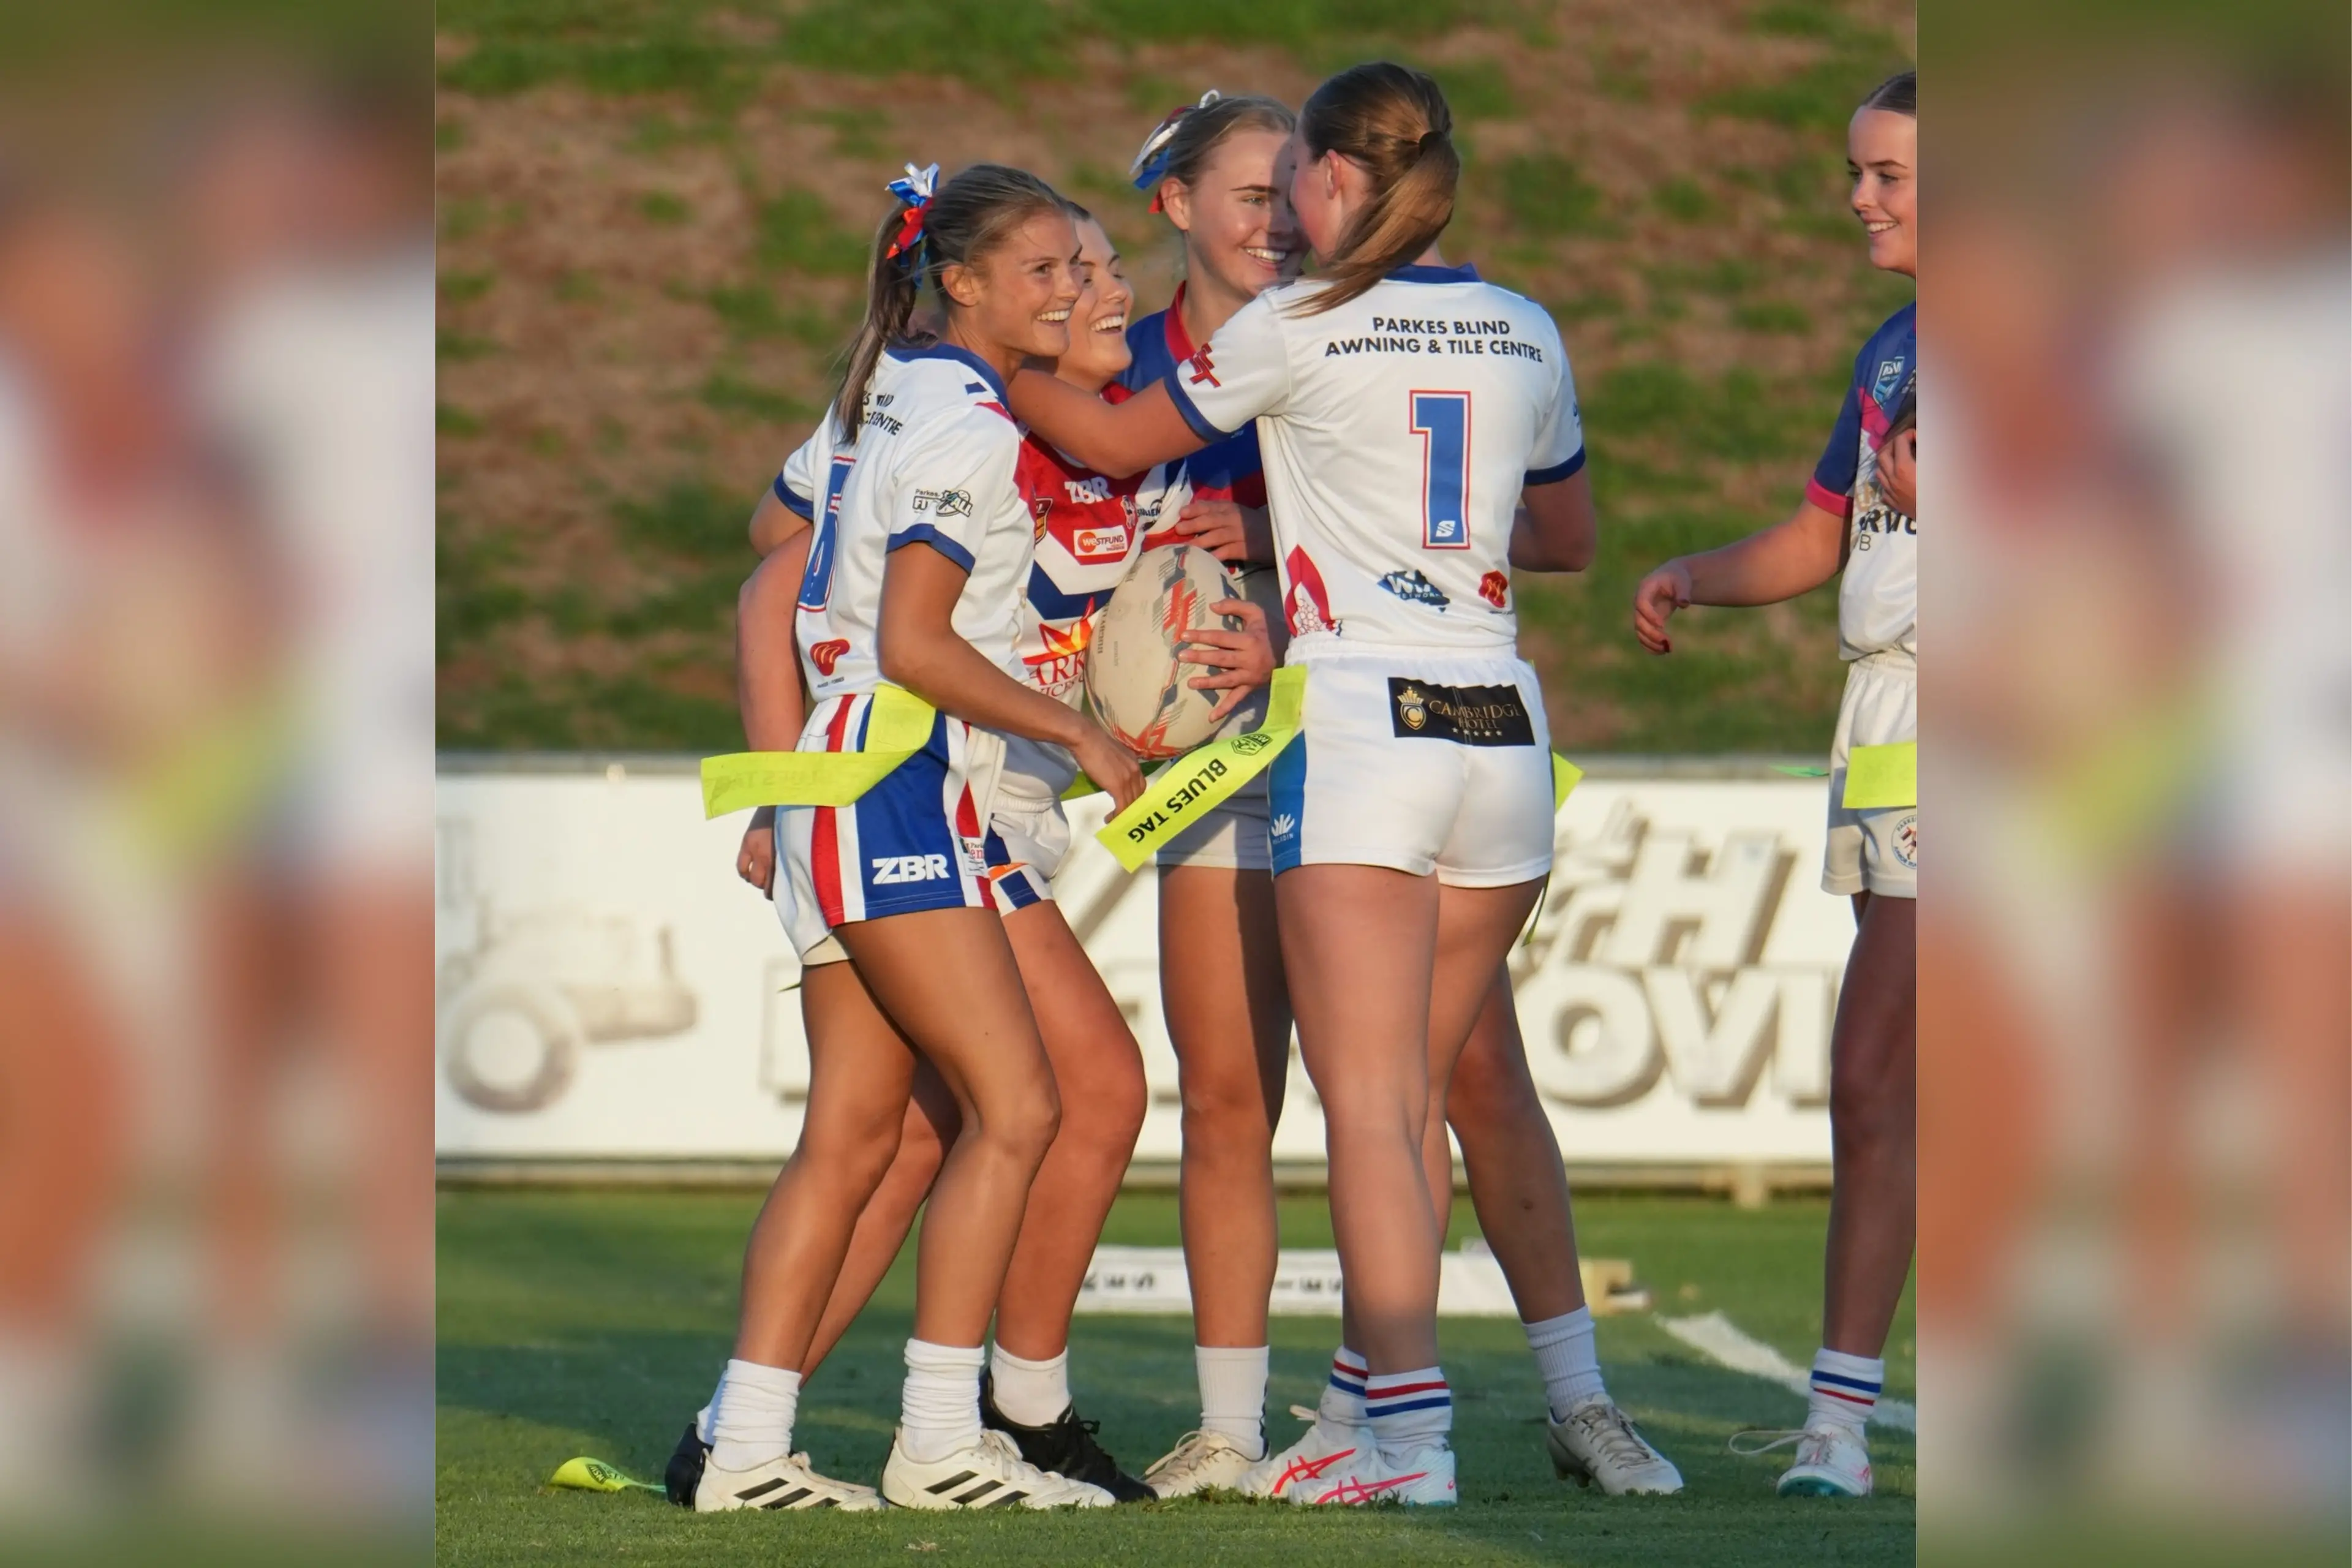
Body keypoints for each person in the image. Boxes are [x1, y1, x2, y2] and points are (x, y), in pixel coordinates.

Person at [1005, 62, 1603, 1506]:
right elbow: (1567, 536)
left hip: (1364, 727)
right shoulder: (1526, 323)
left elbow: (1108, 438)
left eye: (1296, 183)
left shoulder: (1299, 321)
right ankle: (1366, 1410)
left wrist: (979, 349)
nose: (1283, 212)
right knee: (1414, 1096)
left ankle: (1405, 1439)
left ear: (1337, 178)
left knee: (1374, 1110)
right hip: (1502, 727)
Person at [693, 203, 1270, 1506]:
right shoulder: (971, 423)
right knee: (1019, 1109)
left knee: (872, 1134)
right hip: (904, 780)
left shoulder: (904, 389)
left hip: (887, 778)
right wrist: (1082, 730)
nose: (1087, 289)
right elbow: (901, 636)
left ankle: (745, 1443)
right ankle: (945, 1438)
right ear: (962, 283)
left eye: (1095, 268)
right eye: (1054, 270)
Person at [1634, 70, 1917, 1499]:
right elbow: (1822, 538)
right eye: (1857, 171)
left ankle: (1839, 1425)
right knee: (1898, 1088)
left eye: (1888, 174)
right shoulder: (1897, 349)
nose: (1859, 198)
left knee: (1877, 1074)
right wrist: (1696, 572)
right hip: (1887, 730)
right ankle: (1844, 1418)